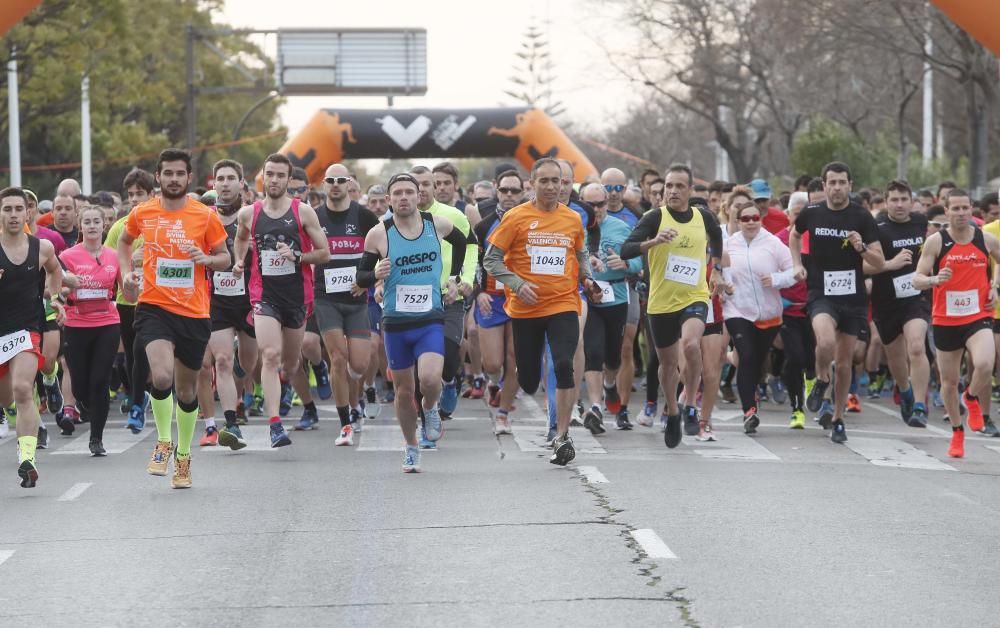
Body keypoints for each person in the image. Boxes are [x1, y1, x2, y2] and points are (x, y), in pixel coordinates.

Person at [118, 148, 232, 489]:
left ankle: (183, 457)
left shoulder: (205, 216)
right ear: (158, 176)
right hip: (154, 307)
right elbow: (124, 242)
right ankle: (163, 442)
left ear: (188, 178)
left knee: (185, 391)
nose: (173, 179)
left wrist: (206, 260)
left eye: (179, 173)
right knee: (162, 376)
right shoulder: (143, 213)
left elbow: (226, 258)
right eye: (167, 173)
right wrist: (126, 274)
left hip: (194, 313)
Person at [484, 158, 602, 465]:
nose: (552, 187)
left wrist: (587, 278)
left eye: (558, 181)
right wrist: (517, 283)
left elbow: (580, 252)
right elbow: (491, 261)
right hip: (525, 309)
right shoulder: (516, 217)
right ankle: (525, 385)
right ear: (532, 184)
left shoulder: (573, 219)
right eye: (545, 181)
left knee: (564, 363)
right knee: (529, 380)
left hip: (563, 302)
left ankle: (562, 435)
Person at [355, 173, 467, 472]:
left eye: (409, 192)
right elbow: (360, 277)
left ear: (418, 195)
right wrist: (375, 275)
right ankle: (411, 446)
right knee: (404, 391)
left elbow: (462, 242)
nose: (403, 197)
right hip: (395, 323)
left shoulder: (436, 224)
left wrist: (455, 278)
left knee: (430, 379)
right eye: (397, 193)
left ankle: (430, 408)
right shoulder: (378, 234)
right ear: (389, 200)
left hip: (430, 318)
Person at [232, 153, 330, 449]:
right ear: (263, 177)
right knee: (271, 355)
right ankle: (275, 424)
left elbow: (324, 253)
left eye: (279, 175)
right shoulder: (249, 213)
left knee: (290, 364)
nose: (273, 180)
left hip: (297, 296)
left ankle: (311, 394)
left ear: (288, 180)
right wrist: (239, 260)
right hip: (264, 296)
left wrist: (298, 256)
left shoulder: (303, 212)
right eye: (269, 174)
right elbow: (239, 238)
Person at [621, 164, 724, 448]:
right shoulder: (654, 217)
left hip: (694, 296)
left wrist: (716, 269)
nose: (673, 191)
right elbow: (626, 249)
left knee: (691, 345)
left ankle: (690, 403)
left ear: (690, 190)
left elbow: (717, 236)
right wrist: (653, 241)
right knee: (667, 365)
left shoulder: (703, 217)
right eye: (669, 186)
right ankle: (674, 411)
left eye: (679, 186)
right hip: (661, 302)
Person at [789, 162, 885, 444]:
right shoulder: (813, 212)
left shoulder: (862, 217)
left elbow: (878, 262)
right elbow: (795, 235)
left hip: (853, 297)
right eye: (832, 182)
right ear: (824, 184)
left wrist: (862, 248)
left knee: (844, 363)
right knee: (826, 342)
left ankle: (839, 418)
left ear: (850, 185)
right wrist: (796, 264)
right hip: (821, 292)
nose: (837, 187)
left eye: (842, 182)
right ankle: (821, 379)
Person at [913, 189, 1000, 457]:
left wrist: (995, 285)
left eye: (965, 208)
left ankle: (972, 398)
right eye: (956, 208)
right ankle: (957, 432)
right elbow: (917, 277)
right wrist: (933, 280)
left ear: (971, 209)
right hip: (945, 319)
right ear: (946, 211)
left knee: (986, 362)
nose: (961, 213)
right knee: (949, 382)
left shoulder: (985, 239)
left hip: (977, 315)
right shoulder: (936, 242)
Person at [0, 187, 64, 487]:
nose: (13, 215)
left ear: (28, 213)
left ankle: (27, 459)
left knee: (23, 388)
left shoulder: (43, 248)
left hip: (26, 329)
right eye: (7, 209)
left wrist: (54, 298)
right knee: (5, 397)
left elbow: (55, 271)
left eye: (18, 209)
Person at [313, 164, 379, 445]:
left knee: (359, 366)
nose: (336, 185)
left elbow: (381, 250)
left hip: (356, 300)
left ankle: (356, 400)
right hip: (325, 298)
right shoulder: (314, 217)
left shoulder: (364, 217)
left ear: (349, 183)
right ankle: (345, 424)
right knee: (338, 359)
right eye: (331, 180)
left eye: (341, 180)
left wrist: (368, 280)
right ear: (324, 184)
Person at [409, 166, 478, 426]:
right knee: (421, 366)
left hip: (449, 298)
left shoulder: (452, 216)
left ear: (434, 187)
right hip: (413, 300)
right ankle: (425, 417)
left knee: (448, 355)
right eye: (417, 184)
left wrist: (465, 280)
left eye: (427, 184)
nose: (422, 189)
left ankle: (451, 379)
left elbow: (471, 246)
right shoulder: (398, 218)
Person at [721, 195, 795, 433]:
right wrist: (726, 286)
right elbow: (721, 271)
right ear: (738, 220)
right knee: (748, 355)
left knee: (756, 360)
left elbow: (794, 271)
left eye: (755, 217)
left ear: (761, 219)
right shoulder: (730, 244)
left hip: (768, 314)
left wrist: (775, 279)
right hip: (737, 310)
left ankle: (750, 388)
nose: (751, 222)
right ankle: (749, 411)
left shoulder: (773, 244)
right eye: (745, 218)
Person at [197, 159, 256, 449]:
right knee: (222, 360)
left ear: (241, 184)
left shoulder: (254, 217)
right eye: (220, 178)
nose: (225, 183)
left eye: (231, 177)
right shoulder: (203, 218)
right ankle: (231, 424)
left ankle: (243, 385)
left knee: (248, 362)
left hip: (251, 300)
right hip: (216, 300)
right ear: (214, 183)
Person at [865, 179, 931, 427]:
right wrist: (888, 264)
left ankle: (920, 405)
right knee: (895, 356)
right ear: (886, 202)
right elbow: (859, 265)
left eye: (904, 199)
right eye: (894, 199)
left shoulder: (922, 224)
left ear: (912, 201)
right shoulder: (876, 227)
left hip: (916, 297)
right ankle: (904, 390)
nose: (900, 204)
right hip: (885, 300)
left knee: (916, 346)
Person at [579, 183, 643, 432]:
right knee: (593, 351)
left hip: (616, 295)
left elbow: (638, 260)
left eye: (600, 204)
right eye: (590, 204)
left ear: (608, 203)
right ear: (582, 203)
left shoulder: (622, 227)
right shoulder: (576, 227)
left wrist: (626, 263)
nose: (596, 209)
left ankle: (609, 384)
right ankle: (595, 406)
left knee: (614, 356)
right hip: (588, 296)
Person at [58, 206, 121, 456]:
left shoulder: (114, 256)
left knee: (100, 380)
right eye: (88, 222)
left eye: (97, 221)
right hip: (76, 325)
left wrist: (131, 286)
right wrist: (64, 291)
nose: (93, 226)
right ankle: (82, 403)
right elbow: (57, 287)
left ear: (103, 225)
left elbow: (124, 288)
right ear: (80, 226)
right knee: (81, 385)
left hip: (107, 323)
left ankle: (97, 439)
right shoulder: (68, 256)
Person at [473, 170, 524, 434]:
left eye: (514, 191)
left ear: (524, 191)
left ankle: (503, 413)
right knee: (493, 363)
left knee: (514, 357)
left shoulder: (532, 222)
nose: (509, 196)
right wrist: (477, 292)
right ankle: (494, 381)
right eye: (504, 190)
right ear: (496, 190)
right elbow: (473, 264)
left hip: (520, 298)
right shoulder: (484, 226)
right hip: (491, 299)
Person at [104, 168, 154, 432]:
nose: (134, 199)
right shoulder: (119, 228)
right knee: (134, 355)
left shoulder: (160, 223)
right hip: (127, 299)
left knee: (150, 353)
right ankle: (138, 399)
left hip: (157, 299)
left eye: (140, 194)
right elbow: (109, 266)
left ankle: (146, 398)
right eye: (131, 194)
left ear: (151, 194)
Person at [777, 191, 815, 429]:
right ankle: (797, 409)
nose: (800, 219)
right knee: (795, 357)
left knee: (812, 360)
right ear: (788, 214)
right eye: (796, 214)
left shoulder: (817, 238)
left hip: (814, 308)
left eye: (805, 215)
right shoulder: (777, 239)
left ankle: (813, 388)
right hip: (787, 310)